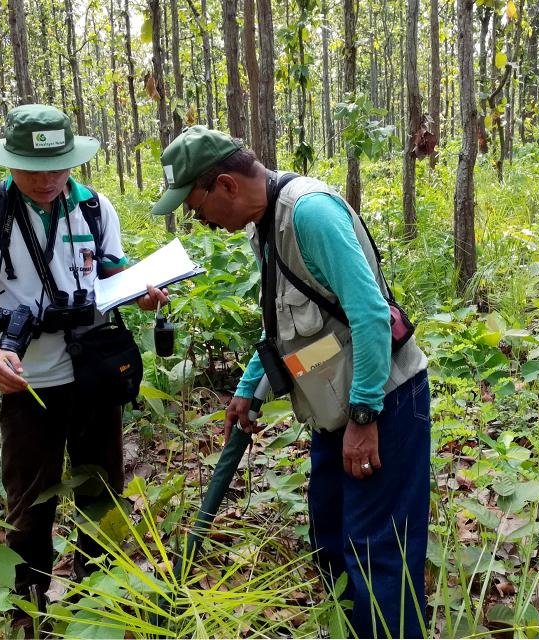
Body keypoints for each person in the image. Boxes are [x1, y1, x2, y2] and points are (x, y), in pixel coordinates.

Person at [152, 126, 431, 638]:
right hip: (333, 404)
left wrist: (366, 416)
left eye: (196, 205)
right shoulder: (265, 222)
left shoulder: (309, 213)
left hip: (383, 398)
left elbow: (369, 316)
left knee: (378, 547)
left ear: (226, 186)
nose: (198, 220)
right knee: (330, 534)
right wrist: (249, 387)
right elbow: (283, 326)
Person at [0, 104, 168, 601]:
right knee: (28, 498)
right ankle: (31, 601)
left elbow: (113, 274)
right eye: (31, 169)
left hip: (95, 372)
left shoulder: (93, 207)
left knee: (103, 488)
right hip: (28, 380)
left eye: (57, 167)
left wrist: (142, 290)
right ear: (9, 161)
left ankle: (99, 596)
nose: (46, 180)